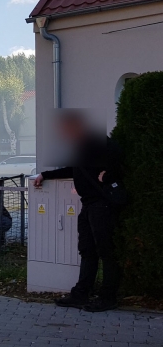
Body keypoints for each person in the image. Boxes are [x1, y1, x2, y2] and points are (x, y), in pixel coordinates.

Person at [34, 111, 123, 313]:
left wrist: (109, 175)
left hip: (102, 204)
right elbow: (72, 170)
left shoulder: (94, 140)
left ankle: (108, 297)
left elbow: (118, 153)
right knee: (87, 250)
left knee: (105, 251)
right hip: (89, 204)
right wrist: (45, 175)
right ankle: (81, 294)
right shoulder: (82, 146)